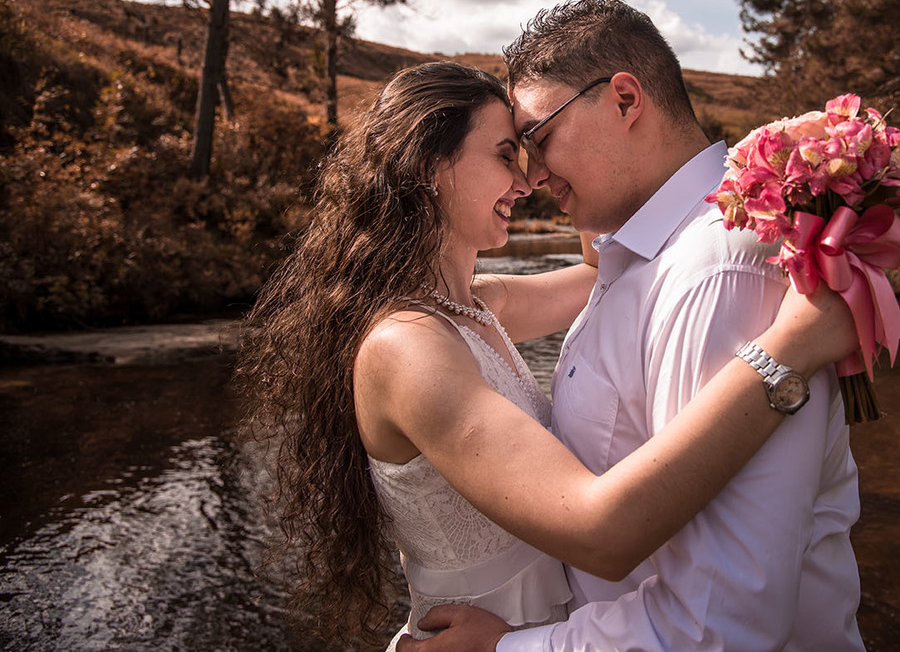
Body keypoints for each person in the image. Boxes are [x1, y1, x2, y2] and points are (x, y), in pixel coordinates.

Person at [237, 60, 856, 649]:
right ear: (430, 165)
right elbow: (600, 529)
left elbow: (598, 270)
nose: (527, 180)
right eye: (506, 155)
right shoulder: (408, 347)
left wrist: (757, 167)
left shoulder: (475, 306)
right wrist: (788, 352)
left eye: (529, 155)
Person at [399, 0, 866, 651]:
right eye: (515, 151)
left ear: (624, 100)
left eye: (538, 138)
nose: (532, 175)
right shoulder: (636, 256)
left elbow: (718, 623)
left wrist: (509, 648)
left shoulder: (717, 271)